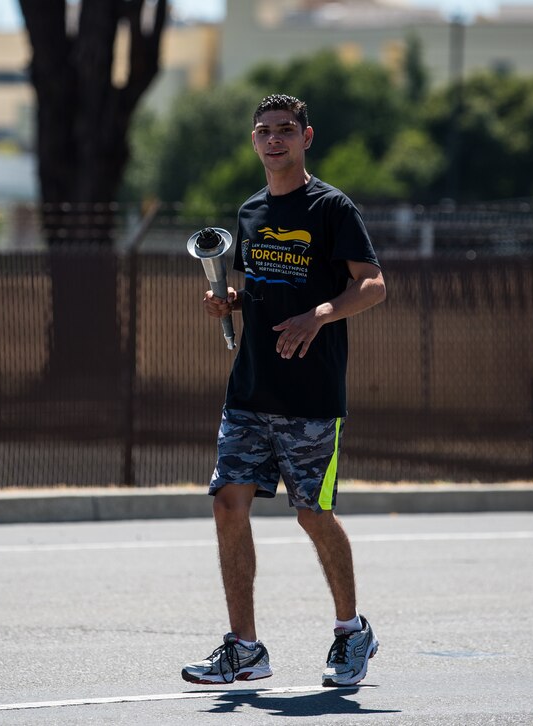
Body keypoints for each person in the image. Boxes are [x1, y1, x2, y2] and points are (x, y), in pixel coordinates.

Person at [181, 93, 387, 688]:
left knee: (313, 515)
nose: (275, 139)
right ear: (254, 141)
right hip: (250, 388)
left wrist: (319, 314)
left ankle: (351, 631)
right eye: (265, 131)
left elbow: (373, 284)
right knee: (227, 503)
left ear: (306, 137)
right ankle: (245, 649)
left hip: (311, 395)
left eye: (286, 130)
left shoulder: (332, 208)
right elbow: (260, 288)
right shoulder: (250, 212)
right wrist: (229, 301)